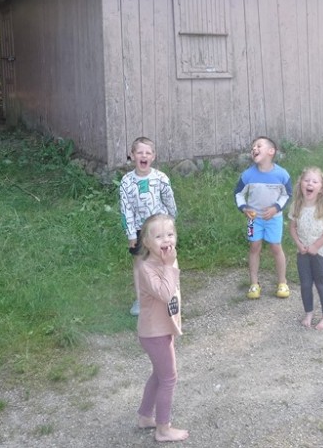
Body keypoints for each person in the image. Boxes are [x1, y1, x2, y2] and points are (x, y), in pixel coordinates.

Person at [134, 214, 188, 442]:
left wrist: (169, 264)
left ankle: (145, 417)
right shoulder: (147, 268)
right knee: (168, 378)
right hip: (154, 333)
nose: (166, 239)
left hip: (163, 329)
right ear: (146, 242)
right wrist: (168, 266)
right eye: (158, 236)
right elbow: (166, 294)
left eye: (170, 234)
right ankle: (163, 429)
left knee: (159, 374)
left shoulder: (167, 260)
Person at [119, 137, 178, 316]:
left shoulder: (161, 178)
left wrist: (171, 223)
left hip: (160, 230)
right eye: (139, 152)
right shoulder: (126, 181)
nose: (143, 156)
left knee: (163, 260)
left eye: (148, 153)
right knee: (140, 264)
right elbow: (126, 209)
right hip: (139, 230)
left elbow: (169, 200)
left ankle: (168, 295)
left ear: (153, 156)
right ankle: (141, 299)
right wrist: (131, 234)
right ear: (132, 155)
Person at [234, 136, 292, 299]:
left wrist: (276, 208)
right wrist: (244, 208)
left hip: (275, 219)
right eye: (252, 147)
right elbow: (238, 194)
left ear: (271, 151)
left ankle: (282, 282)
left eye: (259, 146)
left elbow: (287, 195)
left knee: (276, 247)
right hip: (253, 220)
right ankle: (254, 284)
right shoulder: (247, 175)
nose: (254, 149)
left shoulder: (282, 174)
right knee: (254, 247)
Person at [288, 167, 323, 330]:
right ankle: (308, 313)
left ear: (321, 188)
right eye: (306, 180)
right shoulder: (296, 206)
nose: (310, 184)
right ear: (300, 184)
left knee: (320, 283)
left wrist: (316, 246)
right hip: (302, 252)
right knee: (305, 284)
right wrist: (299, 244)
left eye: (315, 182)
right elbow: (292, 227)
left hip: (320, 253)